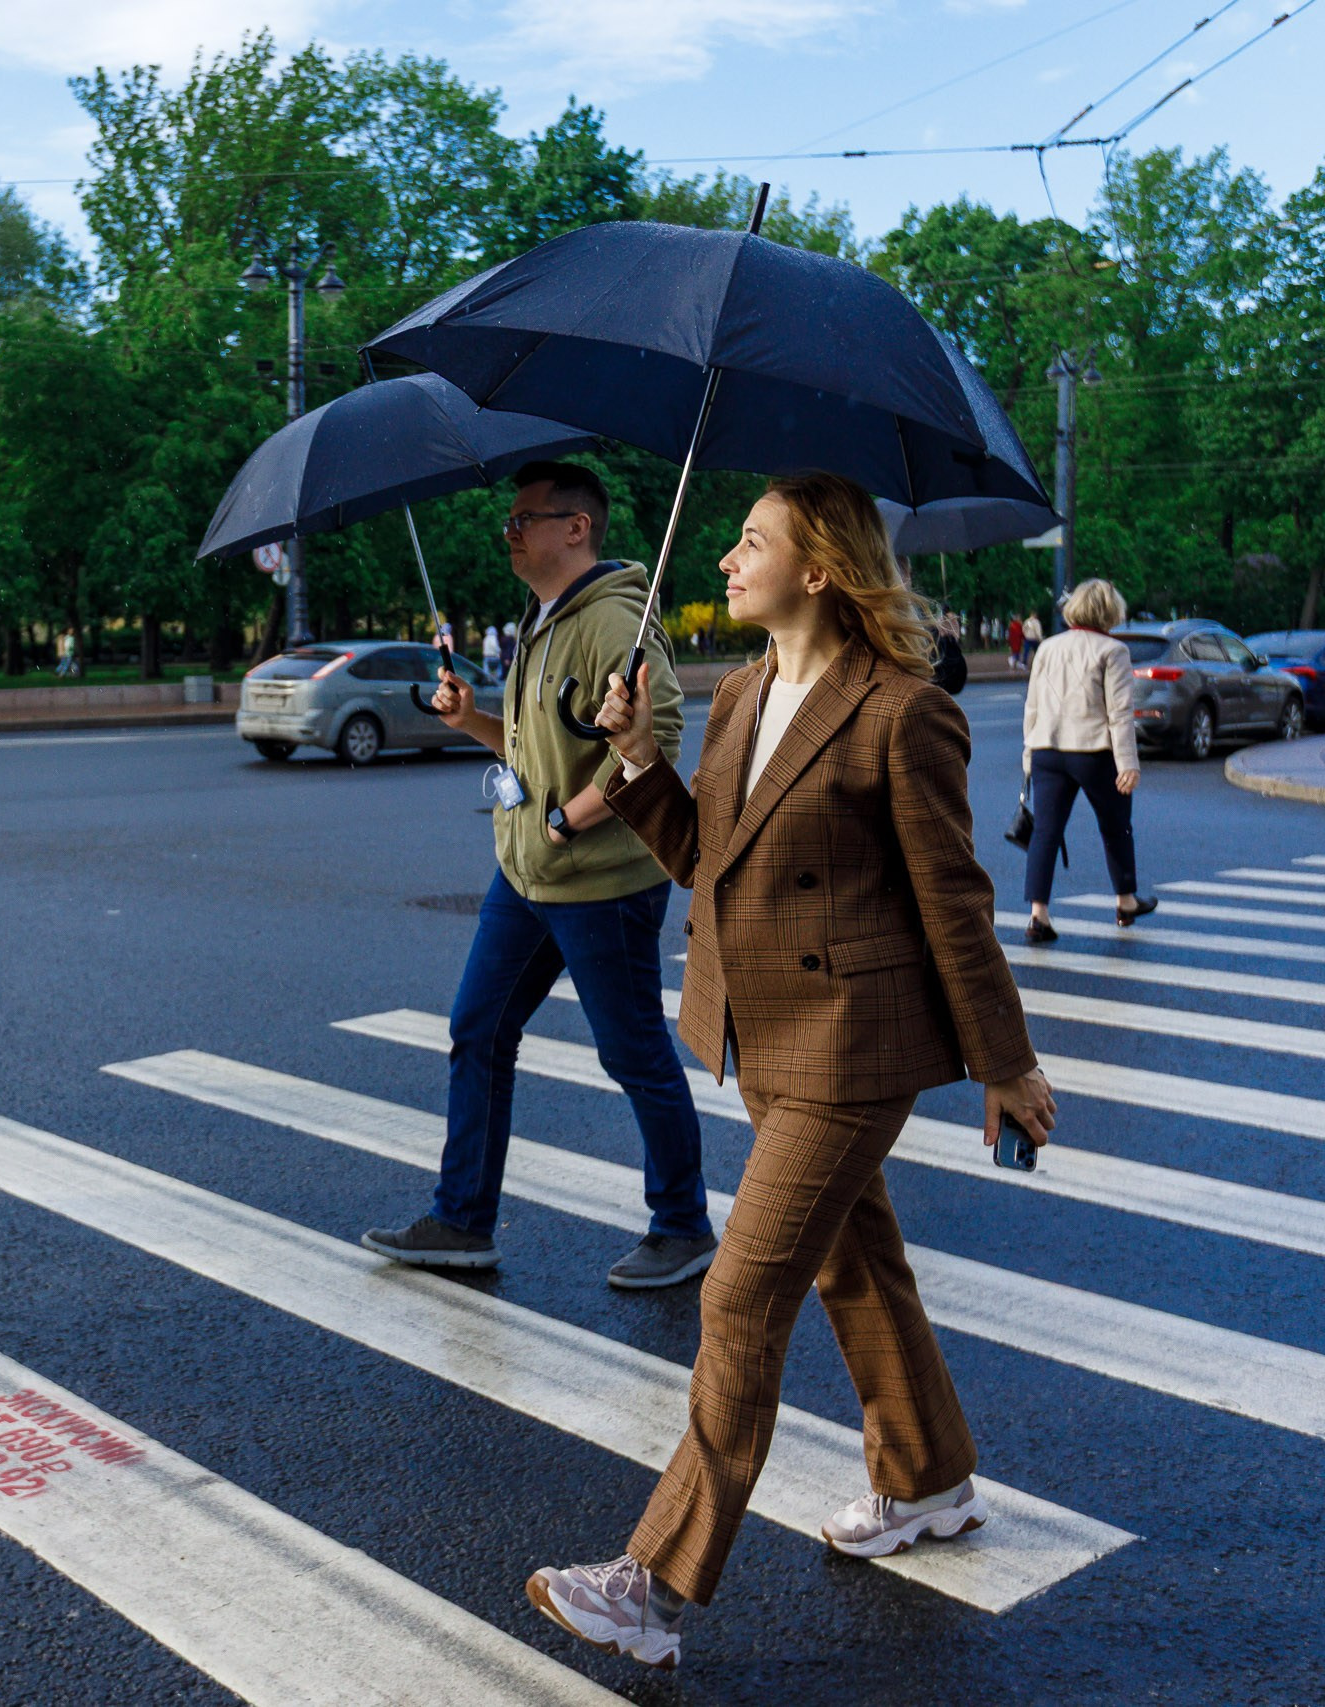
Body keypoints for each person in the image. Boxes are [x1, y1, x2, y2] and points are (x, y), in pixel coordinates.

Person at [527, 471, 1056, 1669]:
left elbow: (954, 902)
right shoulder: (743, 692)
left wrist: (1005, 1063)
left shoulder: (901, 710)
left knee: (737, 1296)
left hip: (849, 1042)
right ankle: (926, 1481)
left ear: (817, 569)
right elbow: (705, 863)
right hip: (758, 1029)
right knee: (852, 1264)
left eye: (751, 541)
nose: (724, 558)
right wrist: (636, 763)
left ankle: (651, 1590)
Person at [365, 461, 714, 1288]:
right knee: (477, 1031)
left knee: (633, 1055)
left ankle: (684, 1224)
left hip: (604, 881)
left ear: (577, 527)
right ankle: (462, 1221)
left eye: (526, 519)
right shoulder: (544, 617)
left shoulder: (616, 621)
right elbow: (535, 753)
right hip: (524, 878)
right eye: (511, 521)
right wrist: (471, 719)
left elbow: (652, 748)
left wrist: (567, 819)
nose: (510, 532)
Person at [1020, 577, 1154, 943]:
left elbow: (1032, 706)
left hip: (1048, 750)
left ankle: (1038, 916)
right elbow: (1119, 713)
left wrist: (1029, 756)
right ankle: (1126, 901)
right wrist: (1128, 763)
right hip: (1094, 752)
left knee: (1045, 833)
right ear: (1111, 613)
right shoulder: (1112, 651)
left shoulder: (1047, 647)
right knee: (1116, 827)